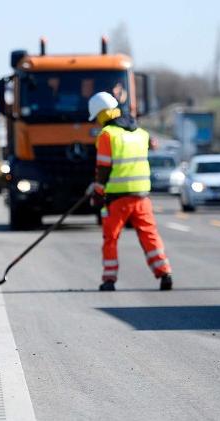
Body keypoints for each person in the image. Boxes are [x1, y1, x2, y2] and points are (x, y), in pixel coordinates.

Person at [87, 92, 173, 291]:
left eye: (98, 117)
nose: (98, 122)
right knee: (150, 235)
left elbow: (104, 168)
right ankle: (164, 272)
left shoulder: (108, 135)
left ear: (103, 114)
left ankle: (109, 279)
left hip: (117, 198)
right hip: (142, 196)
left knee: (111, 238)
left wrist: (98, 192)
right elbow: (150, 146)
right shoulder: (141, 134)